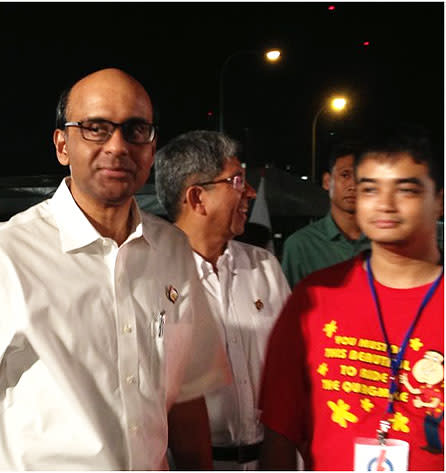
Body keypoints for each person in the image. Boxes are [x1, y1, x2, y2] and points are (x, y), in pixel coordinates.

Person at [0, 68, 230, 470]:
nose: (117, 145)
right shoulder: (6, 254)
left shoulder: (171, 251)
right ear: (62, 145)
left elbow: (187, 395)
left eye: (135, 129)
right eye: (96, 128)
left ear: (151, 148)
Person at [259, 125, 444, 470]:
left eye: (405, 190)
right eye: (370, 189)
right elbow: (280, 431)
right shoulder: (314, 298)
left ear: (439, 202)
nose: (385, 204)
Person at [154, 130, 292, 470]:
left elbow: (291, 369)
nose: (250, 192)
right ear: (198, 197)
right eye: (237, 181)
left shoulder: (264, 267)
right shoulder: (152, 276)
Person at [281, 142, 370, 288]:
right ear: (327, 181)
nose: (353, 185)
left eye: (361, 177)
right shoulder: (301, 245)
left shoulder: (385, 241)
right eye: (345, 175)